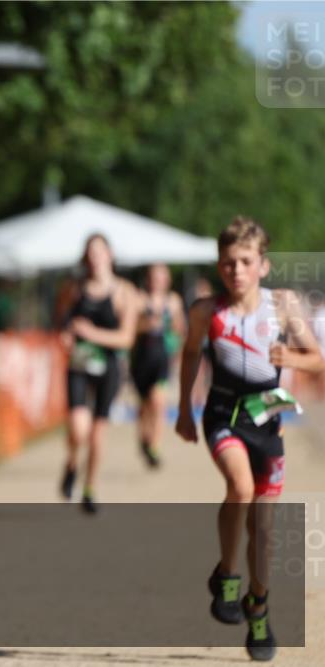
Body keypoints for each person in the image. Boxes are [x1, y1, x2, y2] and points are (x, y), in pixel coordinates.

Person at [176, 217, 324, 661]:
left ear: (263, 265)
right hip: (223, 413)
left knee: (264, 529)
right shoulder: (206, 311)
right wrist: (183, 409)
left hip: (267, 419)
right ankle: (227, 574)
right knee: (239, 487)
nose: (235, 270)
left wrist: (291, 356)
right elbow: (190, 353)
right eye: (227, 262)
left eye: (244, 261)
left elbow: (317, 359)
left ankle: (258, 607)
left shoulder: (282, 305)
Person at [55, 234, 139, 513]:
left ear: (110, 254)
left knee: (97, 432)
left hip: (110, 366)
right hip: (79, 364)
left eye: (99, 252)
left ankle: (90, 488)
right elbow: (62, 320)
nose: (95, 258)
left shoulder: (124, 291)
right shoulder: (74, 288)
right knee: (78, 427)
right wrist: (66, 336)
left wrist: (92, 334)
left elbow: (126, 338)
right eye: (90, 253)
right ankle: (71, 463)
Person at [130, 264, 186, 468]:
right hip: (141, 360)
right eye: (154, 277)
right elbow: (129, 327)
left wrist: (178, 350)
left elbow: (180, 329)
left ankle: (154, 445)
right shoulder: (138, 299)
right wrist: (146, 324)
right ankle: (144, 439)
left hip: (162, 358)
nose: (157, 281)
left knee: (158, 401)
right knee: (144, 405)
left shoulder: (173, 301)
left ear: (167, 280)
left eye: (161, 277)